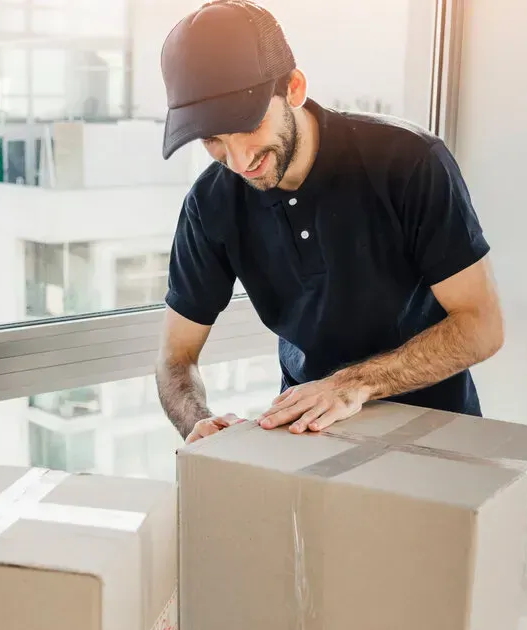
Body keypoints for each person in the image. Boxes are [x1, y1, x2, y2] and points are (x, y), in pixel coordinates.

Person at [154, 0, 505, 444]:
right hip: (308, 440)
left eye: (249, 124)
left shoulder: (410, 163)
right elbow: (175, 356)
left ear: (295, 88)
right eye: (213, 140)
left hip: (437, 437)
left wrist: (351, 385)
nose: (239, 160)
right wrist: (197, 421)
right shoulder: (210, 203)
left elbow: (482, 325)